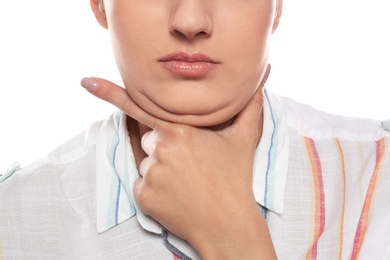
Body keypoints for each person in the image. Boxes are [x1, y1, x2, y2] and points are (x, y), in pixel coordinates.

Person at [0, 0, 389, 259]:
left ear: (278, 6)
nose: (190, 21)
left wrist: (232, 236)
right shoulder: (13, 218)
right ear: (100, 4)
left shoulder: (378, 175)